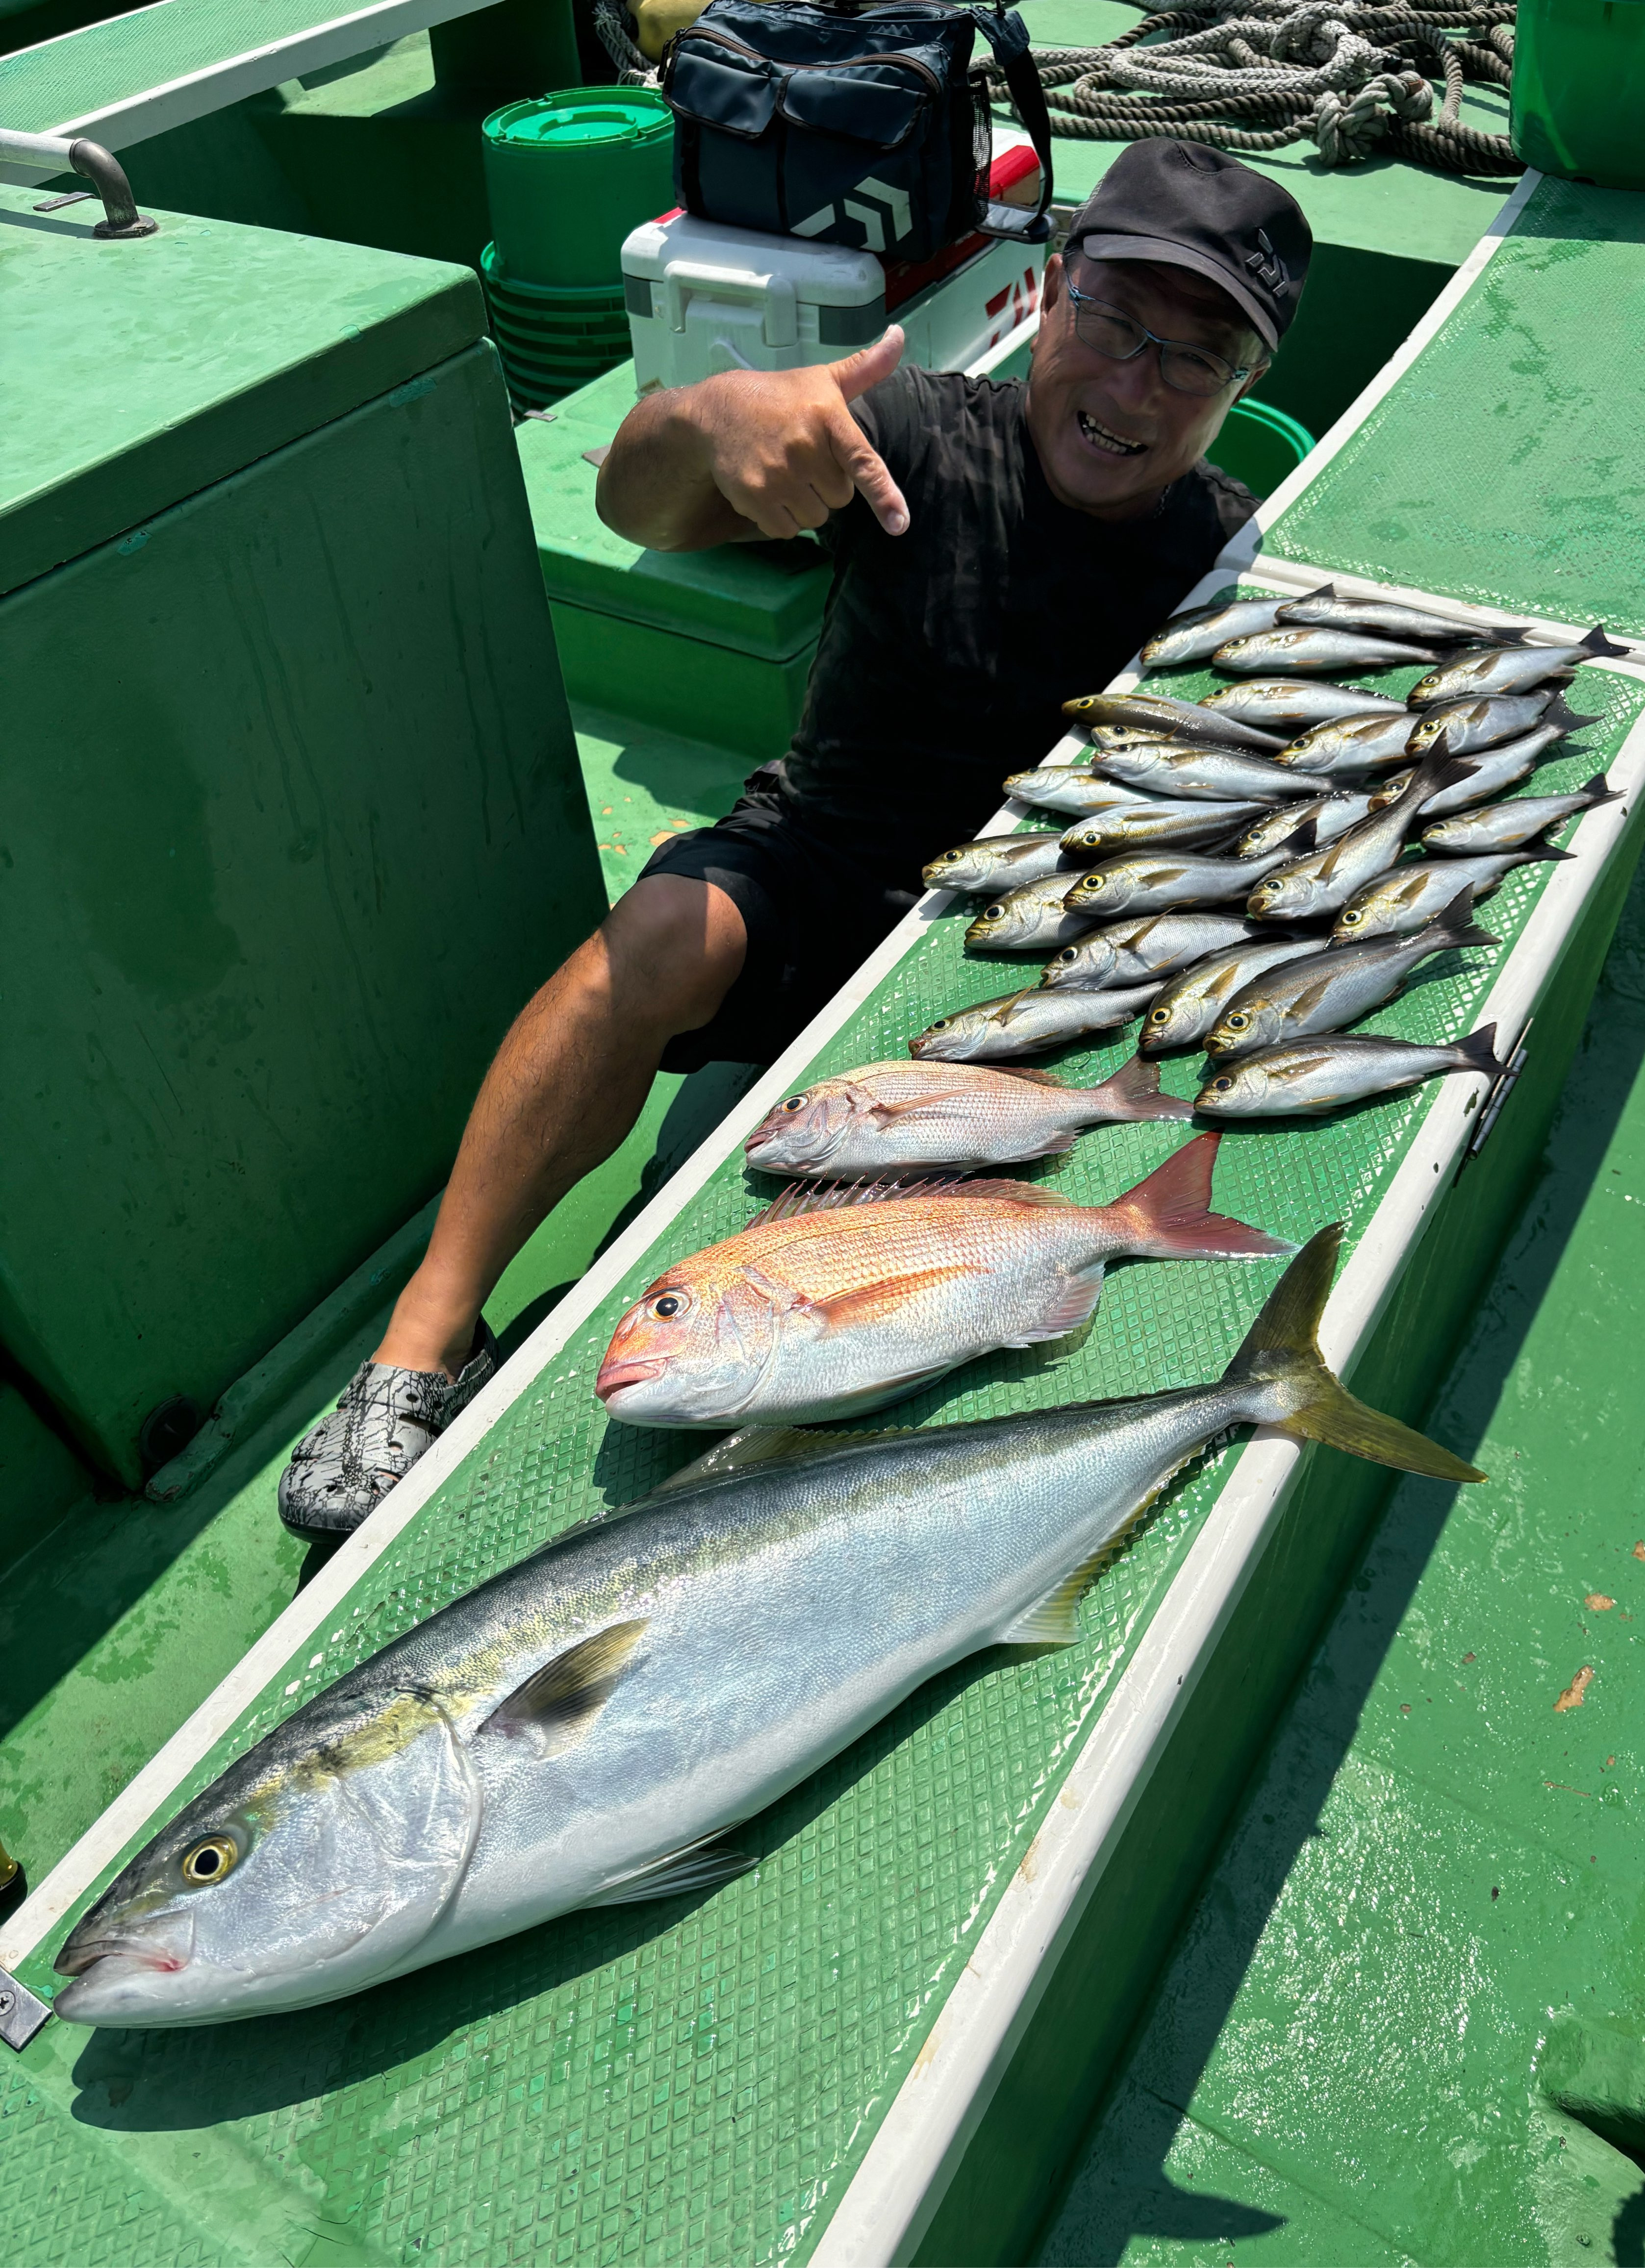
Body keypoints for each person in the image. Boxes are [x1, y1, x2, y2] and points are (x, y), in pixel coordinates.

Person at [278, 136, 1312, 1536]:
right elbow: (629, 501)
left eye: (1195, 360)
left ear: (1245, 387)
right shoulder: (912, 435)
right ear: (1053, 288)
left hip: (1036, 942)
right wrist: (708, 417)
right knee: (652, 933)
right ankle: (422, 1341)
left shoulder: (1236, 559)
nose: (1135, 386)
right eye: (1118, 323)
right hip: (825, 859)